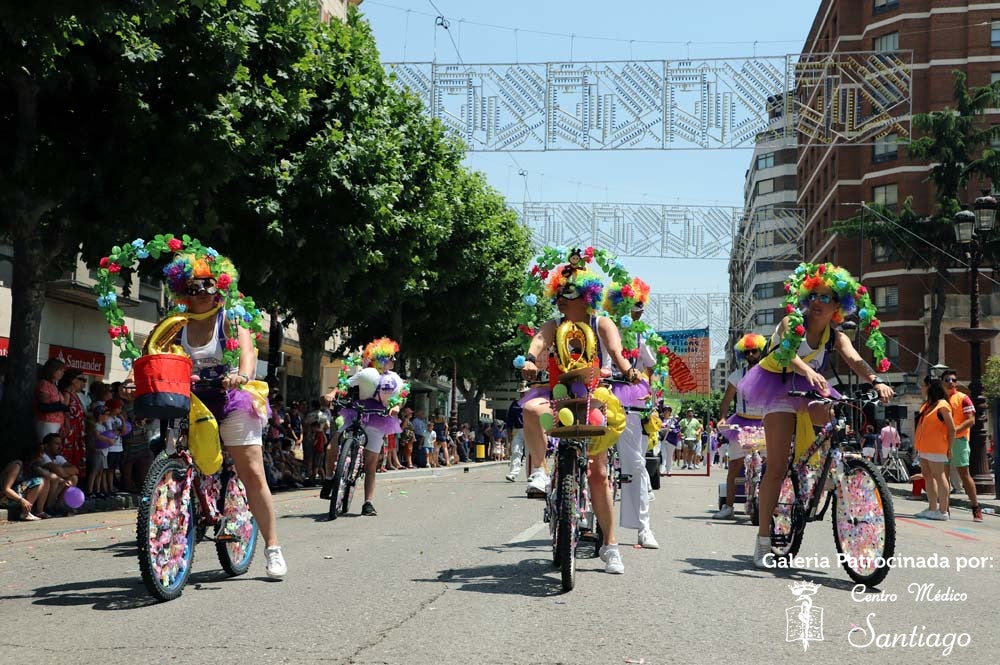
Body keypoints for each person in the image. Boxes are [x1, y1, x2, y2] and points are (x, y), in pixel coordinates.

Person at [110, 243, 287, 578]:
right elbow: (151, 354)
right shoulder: (175, 322)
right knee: (174, 452)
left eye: (207, 286)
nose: (201, 293)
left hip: (231, 398)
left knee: (251, 470)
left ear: (219, 286)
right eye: (193, 287)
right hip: (189, 399)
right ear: (183, 289)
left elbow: (247, 353)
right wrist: (133, 379)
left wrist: (242, 375)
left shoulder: (231, 319)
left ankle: (273, 547)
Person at [738, 262, 894, 567]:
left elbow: (855, 359)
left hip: (811, 391)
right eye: (814, 296)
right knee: (777, 466)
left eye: (827, 297)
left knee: (839, 423)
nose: (818, 303)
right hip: (780, 388)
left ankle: (829, 471)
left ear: (838, 306)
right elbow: (788, 352)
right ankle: (764, 539)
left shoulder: (836, 336)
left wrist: (876, 380)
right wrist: (809, 370)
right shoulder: (791, 322)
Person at [519, 255, 631, 574]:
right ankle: (540, 472)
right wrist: (530, 360)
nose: (562, 301)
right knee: (528, 408)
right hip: (557, 395)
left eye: (569, 294)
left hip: (593, 395)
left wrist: (628, 371)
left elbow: (619, 354)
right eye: (560, 294)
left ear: (586, 296)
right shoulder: (554, 325)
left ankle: (610, 546)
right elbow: (538, 342)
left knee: (598, 473)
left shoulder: (601, 323)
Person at [601, 277, 660, 548]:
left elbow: (650, 368)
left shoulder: (642, 334)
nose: (638, 310)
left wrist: (650, 394)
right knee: (590, 462)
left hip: (630, 400)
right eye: (633, 304)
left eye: (641, 305)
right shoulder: (601, 326)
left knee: (635, 464)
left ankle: (643, 528)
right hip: (600, 395)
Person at [322, 338, 407, 516]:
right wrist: (331, 393)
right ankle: (330, 479)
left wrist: (396, 407)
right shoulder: (366, 373)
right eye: (389, 358)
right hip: (357, 411)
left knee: (370, 464)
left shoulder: (395, 379)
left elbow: (400, 398)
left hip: (379, 418)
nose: (392, 361)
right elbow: (344, 384)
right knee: (332, 445)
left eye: (392, 358)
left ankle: (368, 502)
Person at [714, 332, 766, 520]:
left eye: (754, 351)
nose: (751, 355)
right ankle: (728, 507)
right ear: (743, 354)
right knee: (735, 465)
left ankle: (770, 506)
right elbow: (727, 399)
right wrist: (722, 417)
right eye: (748, 352)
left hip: (764, 424)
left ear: (761, 351)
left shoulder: (769, 372)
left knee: (769, 465)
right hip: (741, 423)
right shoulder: (737, 375)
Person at [942, 369, 982, 522]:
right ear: (942, 382)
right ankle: (945, 509)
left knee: (964, 475)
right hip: (942, 442)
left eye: (953, 379)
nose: (950, 382)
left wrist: (955, 430)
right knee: (943, 477)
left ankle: (976, 508)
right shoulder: (941, 400)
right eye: (947, 379)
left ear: (956, 382)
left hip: (959, 441)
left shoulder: (963, 398)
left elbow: (971, 420)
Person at [914, 376, 955, 521]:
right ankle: (932, 508)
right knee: (927, 475)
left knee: (939, 475)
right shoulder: (928, 405)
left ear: (930, 386)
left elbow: (952, 428)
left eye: (923, 385)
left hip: (937, 447)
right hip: (924, 447)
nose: (921, 388)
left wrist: (949, 448)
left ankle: (943, 510)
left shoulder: (943, 405)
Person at [35, 358, 69, 444]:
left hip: (57, 423)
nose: (62, 373)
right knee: (46, 449)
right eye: (59, 370)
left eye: (63, 371)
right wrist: (62, 406)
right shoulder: (44, 384)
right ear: (52, 370)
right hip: (47, 422)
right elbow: (44, 406)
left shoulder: (54, 385)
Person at [505, 400, 525, 482]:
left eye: (524, 392)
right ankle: (513, 473)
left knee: (531, 453)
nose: (522, 394)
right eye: (521, 392)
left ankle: (532, 474)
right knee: (516, 451)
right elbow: (510, 419)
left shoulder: (532, 401)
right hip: (517, 429)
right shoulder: (515, 404)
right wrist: (509, 434)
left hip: (531, 429)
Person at [658, 405, 679, 475]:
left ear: (670, 412)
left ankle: (669, 470)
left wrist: (671, 430)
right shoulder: (659, 420)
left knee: (669, 456)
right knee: (663, 455)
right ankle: (662, 470)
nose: (666, 412)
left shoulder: (674, 421)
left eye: (668, 410)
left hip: (671, 440)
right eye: (665, 410)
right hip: (662, 440)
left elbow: (677, 430)